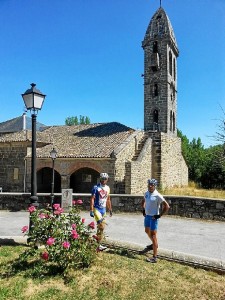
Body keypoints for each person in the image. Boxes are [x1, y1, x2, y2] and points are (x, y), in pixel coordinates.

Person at [141, 178, 170, 263]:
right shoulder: (146, 193)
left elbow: (167, 206)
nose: (150, 186)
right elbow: (143, 202)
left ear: (155, 186)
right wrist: (143, 210)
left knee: (153, 236)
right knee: (147, 231)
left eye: (152, 185)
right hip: (147, 217)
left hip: (154, 218)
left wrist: (159, 216)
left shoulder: (157, 195)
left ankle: (154, 257)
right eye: (149, 184)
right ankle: (153, 245)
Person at [90, 172, 112, 251]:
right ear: (100, 179)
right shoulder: (96, 187)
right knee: (101, 226)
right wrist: (91, 210)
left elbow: (108, 199)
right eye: (102, 179)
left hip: (104, 210)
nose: (103, 180)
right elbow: (92, 198)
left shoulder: (108, 188)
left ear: (107, 179)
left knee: (101, 228)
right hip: (97, 209)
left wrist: (110, 209)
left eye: (105, 179)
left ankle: (98, 244)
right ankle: (98, 245)